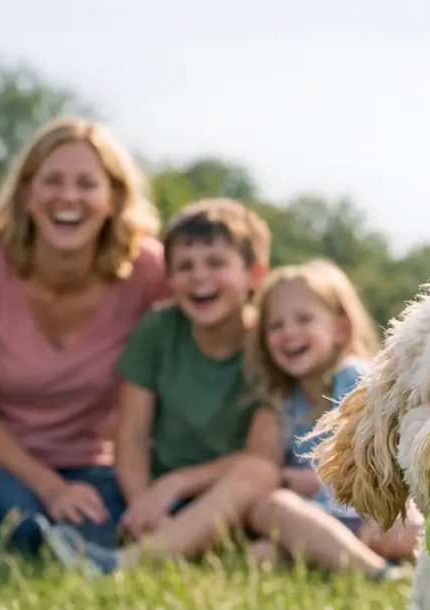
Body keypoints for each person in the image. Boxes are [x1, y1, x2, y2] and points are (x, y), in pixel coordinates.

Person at [0, 116, 166, 553]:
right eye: (52, 181)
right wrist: (50, 487)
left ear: (114, 199)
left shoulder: (148, 270)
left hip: (91, 464)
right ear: (26, 194)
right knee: (22, 526)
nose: (68, 197)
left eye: (87, 184)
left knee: (109, 525)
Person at [37, 198, 281, 572]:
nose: (199, 276)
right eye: (184, 266)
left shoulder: (267, 344)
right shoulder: (159, 329)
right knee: (81, 509)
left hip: (225, 493)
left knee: (259, 476)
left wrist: (177, 483)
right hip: (153, 487)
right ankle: (167, 542)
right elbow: (132, 433)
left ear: (255, 274)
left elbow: (260, 458)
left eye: (216, 263)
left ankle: (121, 565)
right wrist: (144, 504)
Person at [243, 260, 422, 576]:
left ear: (341, 329)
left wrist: (321, 480)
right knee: (267, 522)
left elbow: (384, 455)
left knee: (409, 529)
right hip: (317, 519)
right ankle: (376, 570)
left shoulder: (354, 377)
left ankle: (354, 560)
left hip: (367, 510)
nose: (289, 332)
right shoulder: (284, 402)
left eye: (303, 319)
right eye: (275, 325)